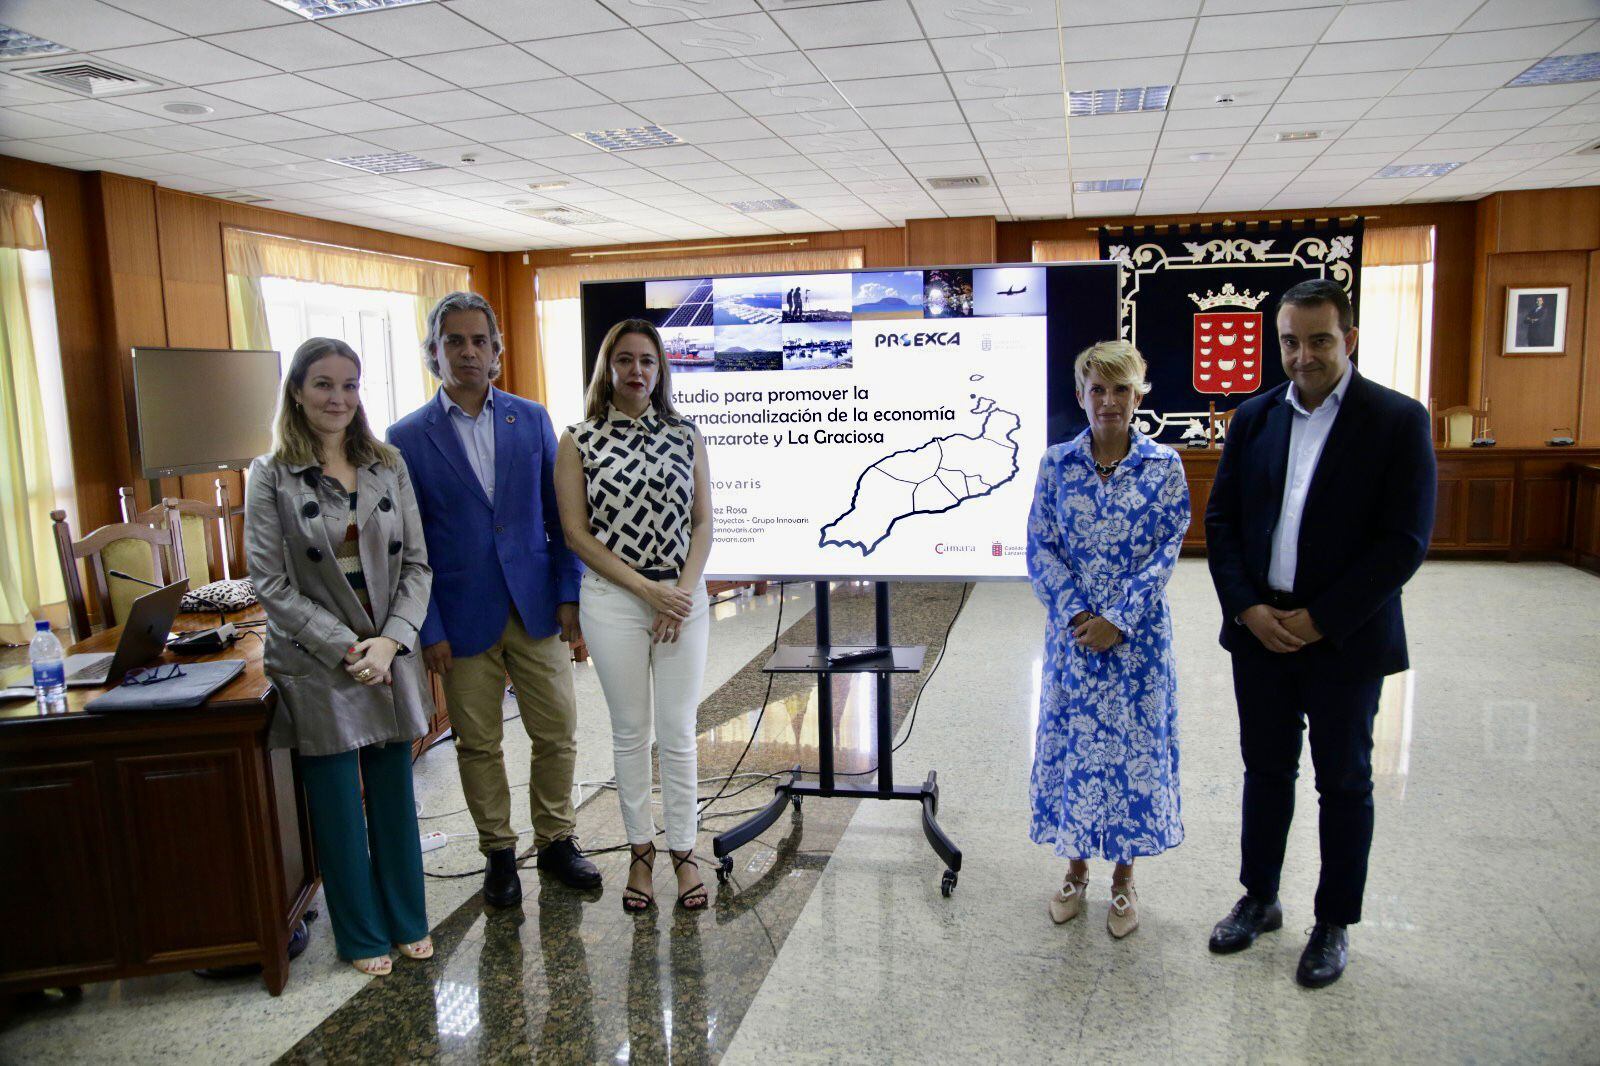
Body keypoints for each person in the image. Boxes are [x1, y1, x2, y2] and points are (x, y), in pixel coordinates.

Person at [1205, 278, 1435, 988]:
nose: (1302, 356)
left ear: (1351, 339)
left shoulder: (1396, 420)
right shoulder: (1254, 418)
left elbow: (1403, 542)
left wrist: (1320, 618)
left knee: (1344, 783)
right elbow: (1221, 524)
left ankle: (1333, 922)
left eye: (1319, 340)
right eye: (1290, 341)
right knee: (1266, 771)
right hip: (1260, 633)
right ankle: (1260, 897)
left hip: (1345, 638)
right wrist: (1249, 610)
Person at [387, 291, 600, 907]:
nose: (468, 351)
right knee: (478, 742)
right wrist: (428, 630)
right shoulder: (406, 438)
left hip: (535, 607)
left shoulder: (531, 419)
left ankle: (558, 840)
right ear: (434, 353)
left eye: (479, 340)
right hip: (459, 617)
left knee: (556, 729)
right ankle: (499, 854)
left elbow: (561, 517)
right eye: (454, 341)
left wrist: (568, 595)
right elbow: (411, 547)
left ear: (497, 352)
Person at [244, 338, 434, 977]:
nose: (338, 399)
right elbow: (270, 584)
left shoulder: (389, 463)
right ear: (297, 391)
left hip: (387, 649)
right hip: (319, 657)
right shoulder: (269, 474)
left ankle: (408, 918)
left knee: (392, 793)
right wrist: (350, 648)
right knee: (334, 802)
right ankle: (359, 934)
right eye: (323, 384)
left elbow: (418, 564)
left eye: (350, 385)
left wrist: (390, 641)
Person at [1026, 340, 1190, 939]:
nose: (1109, 401)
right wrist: (1077, 618)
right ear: (1081, 396)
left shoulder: (1165, 468)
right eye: (1098, 389)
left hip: (1136, 645)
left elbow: (1166, 549)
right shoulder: (1055, 466)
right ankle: (1075, 868)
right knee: (1076, 751)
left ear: (1139, 394)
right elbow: (1040, 548)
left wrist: (1117, 619)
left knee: (1130, 754)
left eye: (1121, 389)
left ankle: (1124, 877)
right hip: (1073, 645)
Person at [555, 318, 714, 914]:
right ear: (608, 368)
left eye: (647, 360)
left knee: (678, 733)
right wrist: (649, 593)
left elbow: (703, 522)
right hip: (615, 601)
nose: (636, 370)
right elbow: (576, 534)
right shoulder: (578, 438)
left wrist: (682, 593)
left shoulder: (687, 434)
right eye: (625, 359)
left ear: (660, 369)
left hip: (682, 600)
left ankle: (685, 852)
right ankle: (641, 854)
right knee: (631, 734)